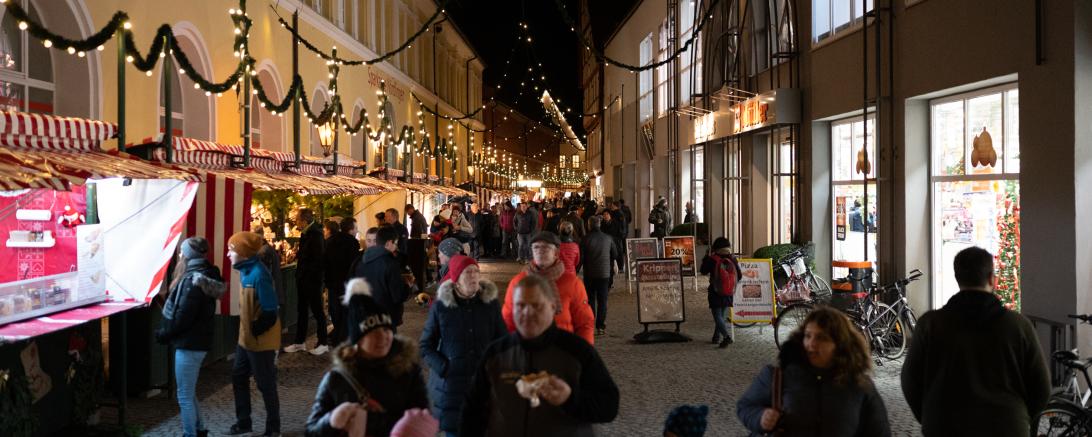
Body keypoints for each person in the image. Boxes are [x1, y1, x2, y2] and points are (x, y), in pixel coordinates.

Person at [900, 246, 1050, 436]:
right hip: (1006, 426)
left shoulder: (930, 325)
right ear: (991, 279)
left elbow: (910, 380)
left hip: (945, 426)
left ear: (957, 278)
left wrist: (930, 415)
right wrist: (1019, 416)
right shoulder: (1018, 326)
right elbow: (1041, 387)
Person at [460, 275, 620, 436]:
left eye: (536, 306)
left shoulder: (577, 351)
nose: (527, 312)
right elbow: (472, 411)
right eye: (520, 305)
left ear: (552, 307)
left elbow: (609, 406)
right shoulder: (496, 353)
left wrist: (570, 399)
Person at [737, 306, 890, 436]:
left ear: (839, 345)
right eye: (808, 336)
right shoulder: (778, 376)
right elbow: (746, 406)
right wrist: (760, 417)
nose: (811, 344)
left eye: (821, 338)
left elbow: (879, 431)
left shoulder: (860, 385)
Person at [305, 279, 429, 437]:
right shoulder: (337, 378)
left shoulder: (408, 372)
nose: (383, 337)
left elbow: (423, 417)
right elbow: (311, 431)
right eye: (374, 333)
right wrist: (330, 421)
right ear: (358, 340)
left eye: (387, 330)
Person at [419, 255, 508, 434]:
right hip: (451, 386)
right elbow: (426, 345)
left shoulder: (489, 305)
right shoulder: (441, 307)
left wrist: (495, 368)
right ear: (456, 279)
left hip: (483, 383)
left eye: (476, 272)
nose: (474, 276)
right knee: (455, 430)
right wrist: (444, 367)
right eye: (468, 273)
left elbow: (503, 341)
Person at [155, 237, 226, 437]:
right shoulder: (206, 274)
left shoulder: (192, 280)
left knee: (184, 395)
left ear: (187, 255)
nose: (179, 255)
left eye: (182, 252)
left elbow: (183, 317)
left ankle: (190, 433)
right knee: (189, 390)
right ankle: (200, 428)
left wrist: (164, 334)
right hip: (197, 342)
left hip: (190, 344)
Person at [226, 232, 281, 437]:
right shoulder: (245, 271)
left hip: (260, 341)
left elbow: (270, 311)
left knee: (265, 383)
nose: (228, 254)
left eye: (231, 250)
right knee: (239, 377)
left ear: (243, 253)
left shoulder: (259, 274)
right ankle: (244, 423)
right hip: (246, 339)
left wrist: (255, 330)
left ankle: (273, 428)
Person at [502, 231, 595, 345]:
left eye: (546, 248)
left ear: (556, 253)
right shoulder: (518, 282)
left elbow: (584, 323)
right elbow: (508, 321)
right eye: (536, 247)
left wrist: (583, 353)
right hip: (527, 350)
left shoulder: (572, 283)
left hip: (563, 349)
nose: (540, 251)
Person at [352, 226, 412, 331]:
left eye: (374, 240)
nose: (396, 246)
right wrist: (408, 287)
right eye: (395, 243)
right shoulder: (389, 263)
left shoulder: (360, 262)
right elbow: (398, 296)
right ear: (389, 243)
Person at [287, 208, 328, 355]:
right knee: (302, 310)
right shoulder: (307, 233)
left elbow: (318, 259)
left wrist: (307, 274)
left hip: (311, 280)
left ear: (304, 220)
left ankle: (323, 342)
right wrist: (297, 256)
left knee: (317, 310)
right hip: (305, 278)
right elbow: (306, 253)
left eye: (297, 219)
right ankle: (299, 342)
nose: (296, 221)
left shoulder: (315, 234)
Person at [699, 237, 741, 348]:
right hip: (728, 292)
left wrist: (706, 257)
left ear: (716, 247)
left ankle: (726, 337)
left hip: (715, 291)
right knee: (721, 315)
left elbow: (703, 271)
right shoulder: (733, 258)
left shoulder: (713, 259)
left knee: (717, 316)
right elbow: (739, 276)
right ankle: (716, 337)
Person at [324, 218, 360, 346]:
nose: (357, 230)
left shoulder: (329, 241)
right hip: (346, 283)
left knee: (335, 310)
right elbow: (354, 265)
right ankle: (342, 336)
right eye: (356, 228)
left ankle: (337, 334)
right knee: (346, 310)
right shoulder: (353, 243)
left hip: (333, 282)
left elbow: (325, 263)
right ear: (350, 229)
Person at [580, 216, 617, 337]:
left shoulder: (585, 239)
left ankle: (590, 324)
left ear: (589, 225)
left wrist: (575, 270)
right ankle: (601, 326)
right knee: (603, 300)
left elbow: (581, 258)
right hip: (604, 274)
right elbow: (615, 254)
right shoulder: (608, 238)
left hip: (590, 274)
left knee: (590, 300)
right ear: (599, 224)